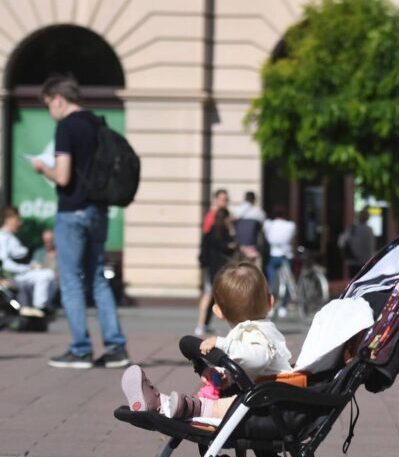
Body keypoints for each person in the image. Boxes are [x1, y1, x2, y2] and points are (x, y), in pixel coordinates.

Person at [33, 75, 129, 369]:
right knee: (98, 278)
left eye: (49, 105)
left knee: (72, 280)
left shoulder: (67, 127)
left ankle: (81, 349)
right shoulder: (96, 124)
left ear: (58, 99)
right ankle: (116, 349)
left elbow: (62, 176)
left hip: (72, 212)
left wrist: (42, 168)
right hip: (98, 211)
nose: (51, 111)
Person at [121, 262, 293, 420]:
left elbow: (257, 359)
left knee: (213, 407)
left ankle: (165, 406)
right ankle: (167, 404)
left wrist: (222, 343)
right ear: (271, 302)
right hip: (263, 400)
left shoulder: (256, 332)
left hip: (267, 407)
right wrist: (225, 375)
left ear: (217, 312)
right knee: (220, 404)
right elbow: (252, 366)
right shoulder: (253, 332)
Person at [0, 207, 56, 316]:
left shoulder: (10, 237)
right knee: (46, 275)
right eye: (17, 220)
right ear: (9, 220)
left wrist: (32, 266)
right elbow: (4, 263)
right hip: (13, 276)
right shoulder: (2, 238)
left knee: (49, 274)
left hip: (20, 274)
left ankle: (39, 307)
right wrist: (29, 268)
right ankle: (40, 308)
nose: (19, 223)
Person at [196, 189, 229, 335]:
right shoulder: (212, 216)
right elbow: (207, 241)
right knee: (209, 293)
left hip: (219, 261)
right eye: (222, 199)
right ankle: (200, 324)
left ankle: (206, 323)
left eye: (226, 200)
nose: (225, 202)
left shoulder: (225, 215)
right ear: (216, 200)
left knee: (216, 293)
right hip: (212, 261)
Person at [263, 205, 297, 318]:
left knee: (272, 282)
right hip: (287, 255)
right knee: (286, 280)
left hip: (274, 255)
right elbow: (292, 238)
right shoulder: (291, 225)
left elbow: (267, 237)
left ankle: (271, 305)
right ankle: (283, 306)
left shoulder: (269, 224)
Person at [231, 191, 267, 266]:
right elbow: (262, 229)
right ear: (254, 200)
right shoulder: (259, 212)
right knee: (249, 270)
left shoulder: (236, 210)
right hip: (252, 246)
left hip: (238, 245)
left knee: (238, 268)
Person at [338, 208, 376, 277]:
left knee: (354, 282)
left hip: (353, 261)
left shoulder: (352, 228)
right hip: (365, 262)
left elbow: (341, 242)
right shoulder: (370, 230)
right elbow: (371, 247)